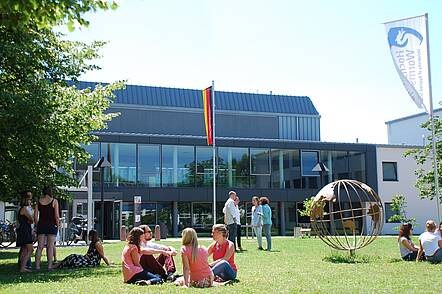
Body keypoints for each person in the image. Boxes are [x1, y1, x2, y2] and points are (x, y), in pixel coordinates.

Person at [34, 186, 60, 270]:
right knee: (50, 246)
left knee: (40, 247)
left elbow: (35, 216)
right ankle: (49, 266)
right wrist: (58, 225)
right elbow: (56, 216)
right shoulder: (54, 201)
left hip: (41, 225)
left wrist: (37, 224)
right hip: (51, 225)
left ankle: (37, 266)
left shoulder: (38, 201)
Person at [17, 191, 34, 272]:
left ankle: (22, 266)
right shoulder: (24, 208)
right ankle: (23, 267)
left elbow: (30, 220)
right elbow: (31, 219)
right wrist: (30, 219)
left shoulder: (22, 208)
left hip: (23, 229)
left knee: (24, 249)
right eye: (30, 199)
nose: (31, 201)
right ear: (26, 200)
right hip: (25, 230)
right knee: (30, 249)